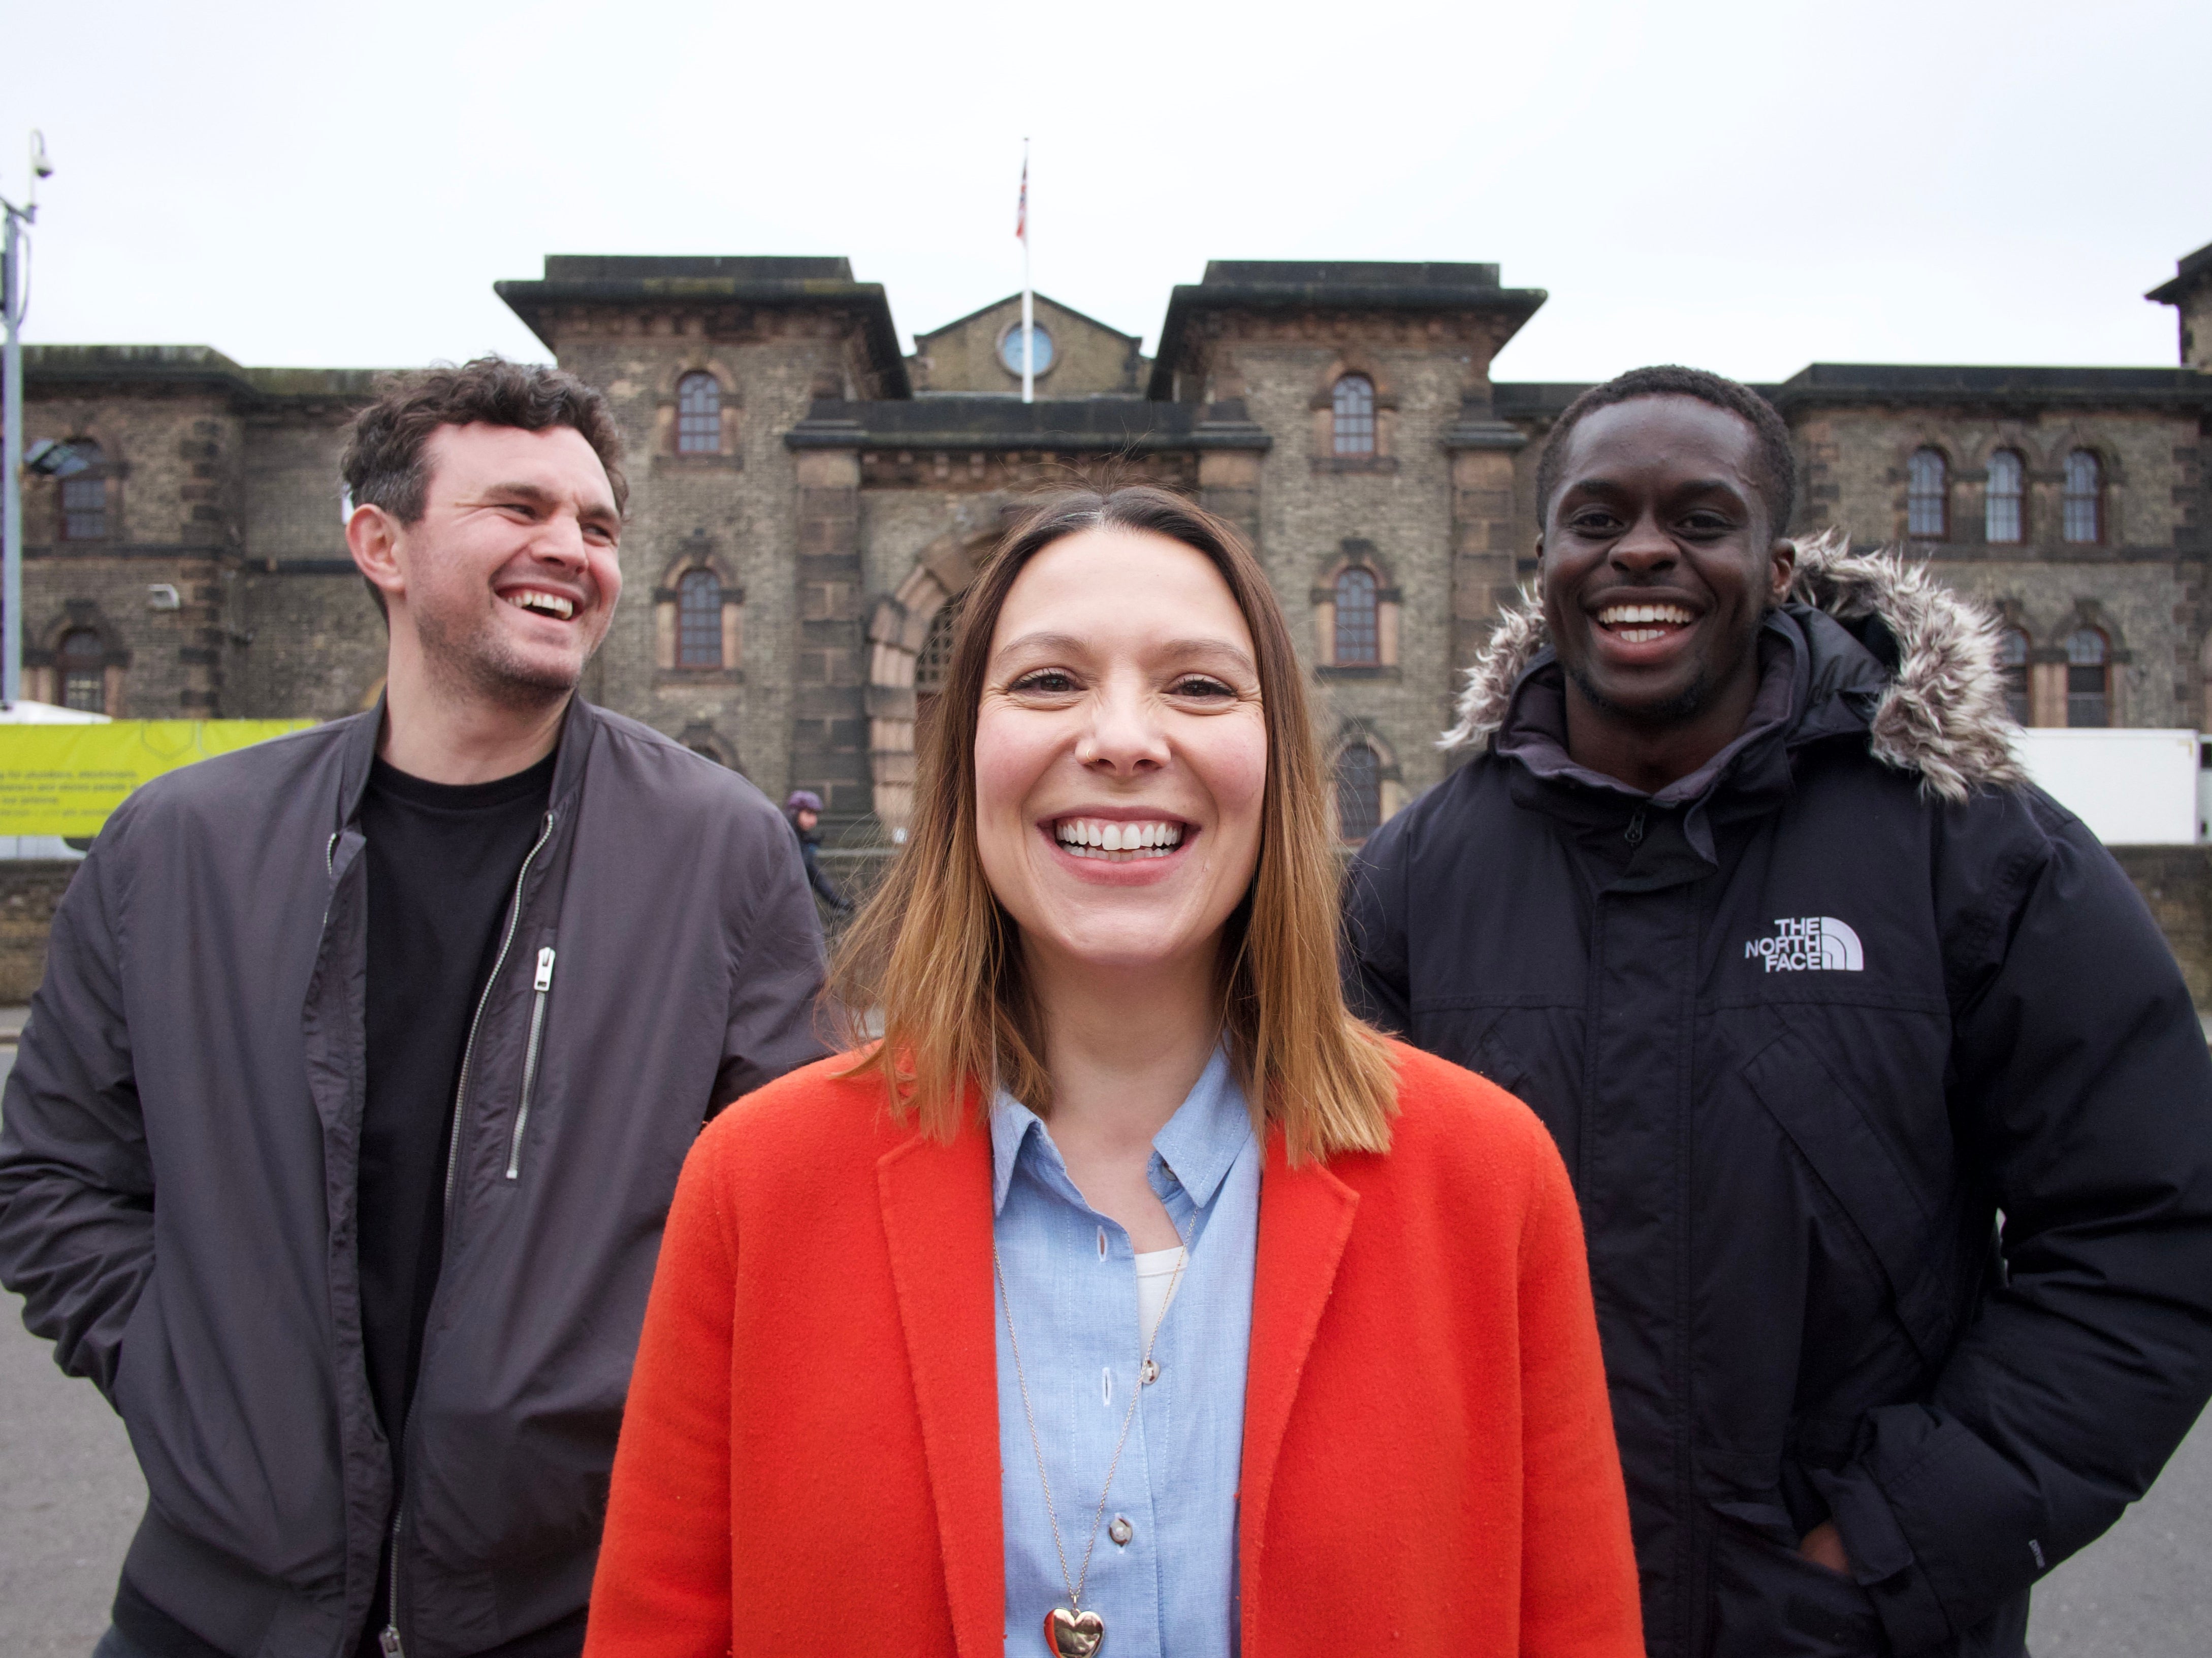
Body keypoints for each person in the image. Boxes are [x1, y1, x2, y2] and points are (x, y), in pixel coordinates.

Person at [581, 485, 1645, 1657]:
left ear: (1277, 755)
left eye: (1197, 685)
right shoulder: (758, 1183)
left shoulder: (1485, 1180)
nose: (1123, 737)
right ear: (963, 756)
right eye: (1047, 681)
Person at [1343, 365, 2212, 1658]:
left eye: (1700, 519)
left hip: (1845, 1621)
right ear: (1547, 560)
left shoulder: (1972, 851)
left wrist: (1894, 1542)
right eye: (1598, 519)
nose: (1644, 548)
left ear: (1781, 564)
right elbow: (1341, 1253)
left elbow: (2147, 1233)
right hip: (1519, 1612)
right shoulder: (1420, 873)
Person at [0, 358, 829, 1658]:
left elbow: (792, 1203)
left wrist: (615, 1417)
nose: (573, 549)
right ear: (379, 543)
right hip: (217, 1610)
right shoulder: (179, 846)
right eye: (519, 509)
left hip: (567, 1607)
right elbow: (52, 1172)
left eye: (599, 526)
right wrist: (181, 1374)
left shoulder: (719, 850)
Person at [783, 788, 851, 913]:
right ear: (795, 813)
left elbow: (814, 876)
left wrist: (836, 902)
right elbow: (794, 871)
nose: (814, 820)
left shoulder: (803, 839)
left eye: (815, 815)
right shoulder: (784, 837)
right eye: (809, 814)